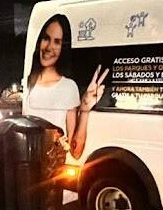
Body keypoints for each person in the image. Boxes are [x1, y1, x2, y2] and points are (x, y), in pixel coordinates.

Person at [23, 14, 108, 159]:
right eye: (46, 38)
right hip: (25, 168)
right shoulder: (27, 82)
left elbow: (75, 152)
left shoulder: (68, 87)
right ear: (39, 42)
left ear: (63, 48)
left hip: (53, 172)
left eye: (57, 42)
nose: (49, 47)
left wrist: (85, 110)